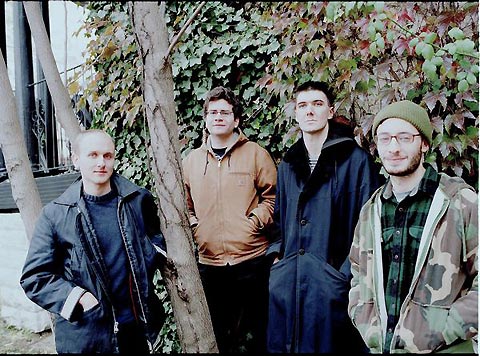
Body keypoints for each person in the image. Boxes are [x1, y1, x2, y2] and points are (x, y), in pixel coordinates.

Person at [20, 129, 167, 354]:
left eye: (108, 156)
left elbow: (157, 241)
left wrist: (151, 256)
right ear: (76, 160)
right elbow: (34, 277)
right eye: (93, 155)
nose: (101, 163)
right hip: (87, 337)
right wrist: (78, 297)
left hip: (135, 331)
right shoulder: (56, 214)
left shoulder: (136, 200)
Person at [348, 100, 478, 353]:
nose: (394, 148)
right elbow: (358, 272)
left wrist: (445, 328)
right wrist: (364, 320)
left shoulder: (460, 203)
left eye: (405, 138)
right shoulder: (371, 210)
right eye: (385, 139)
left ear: (425, 144)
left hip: (447, 349)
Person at [266, 81, 382, 353]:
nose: (309, 111)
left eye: (317, 104)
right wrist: (277, 259)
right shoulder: (288, 163)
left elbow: (367, 226)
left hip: (333, 282)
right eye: (303, 106)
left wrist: (341, 274)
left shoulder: (355, 161)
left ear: (330, 111)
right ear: (296, 113)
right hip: (290, 281)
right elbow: (279, 219)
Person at [182, 86, 277, 353]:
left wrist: (254, 222)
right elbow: (185, 206)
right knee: (222, 339)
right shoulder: (191, 161)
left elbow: (274, 197)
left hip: (252, 261)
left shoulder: (256, 154)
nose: (218, 117)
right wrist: (196, 228)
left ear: (236, 120)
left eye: (225, 112)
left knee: (260, 336)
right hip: (210, 265)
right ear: (205, 119)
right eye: (212, 112)